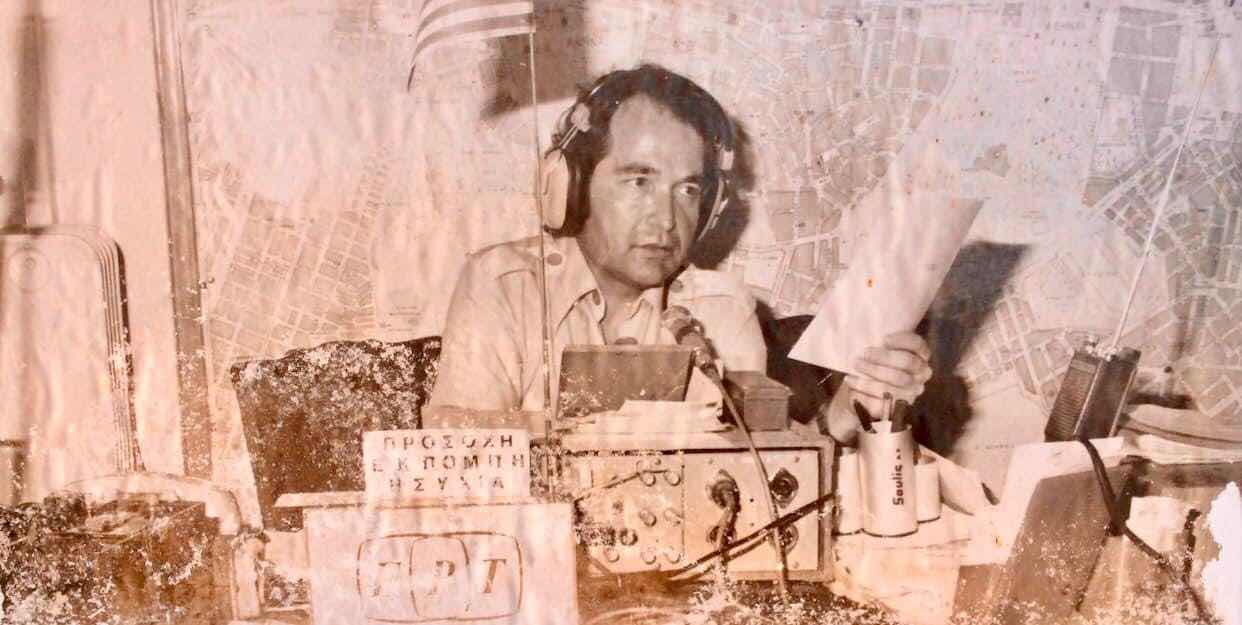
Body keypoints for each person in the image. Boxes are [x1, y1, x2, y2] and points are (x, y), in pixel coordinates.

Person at [428, 64, 929, 443]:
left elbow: (757, 466)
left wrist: (846, 413)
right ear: (571, 186)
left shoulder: (722, 308)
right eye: (639, 181)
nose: (668, 220)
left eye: (688, 190)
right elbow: (461, 456)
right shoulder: (503, 285)